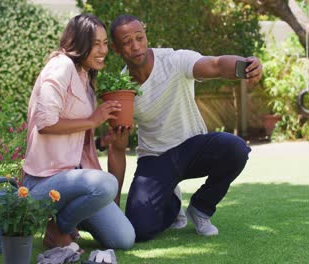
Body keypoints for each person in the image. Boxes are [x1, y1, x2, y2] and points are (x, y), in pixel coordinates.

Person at [109, 14, 263, 241]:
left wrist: (247, 66)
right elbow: (118, 148)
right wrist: (114, 210)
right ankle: (171, 204)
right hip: (155, 158)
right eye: (127, 42)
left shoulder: (173, 61)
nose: (136, 46)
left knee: (236, 149)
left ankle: (201, 208)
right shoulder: (122, 89)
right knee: (140, 229)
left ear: (145, 36)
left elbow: (217, 64)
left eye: (139, 38)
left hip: (192, 147)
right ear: (116, 49)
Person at [22, 14, 135, 250]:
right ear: (80, 43)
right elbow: (45, 122)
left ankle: (70, 219)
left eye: (105, 43)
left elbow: (75, 135)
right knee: (106, 184)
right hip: (44, 182)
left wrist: (103, 139)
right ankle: (59, 229)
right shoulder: (60, 66)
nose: (103, 50)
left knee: (124, 239)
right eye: (96, 44)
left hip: (74, 180)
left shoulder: (84, 74)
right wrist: (92, 120)